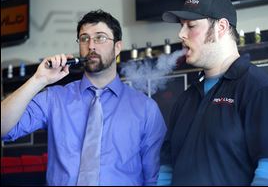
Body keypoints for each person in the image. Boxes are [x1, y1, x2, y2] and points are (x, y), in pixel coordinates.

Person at [1, 9, 167, 186]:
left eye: (100, 37)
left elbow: (152, 178)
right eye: (84, 38)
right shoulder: (54, 99)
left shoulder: (146, 109)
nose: (91, 46)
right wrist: (38, 80)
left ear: (117, 47)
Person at [158, 0, 268, 186]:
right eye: (181, 26)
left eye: (191, 25)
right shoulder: (185, 99)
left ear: (221, 27)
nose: (181, 34)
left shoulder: (261, 91)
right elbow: (167, 168)